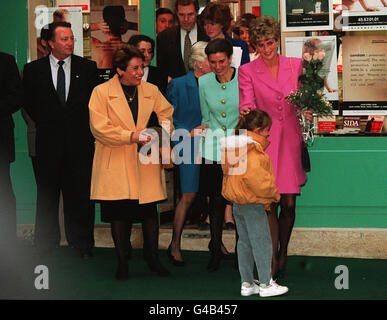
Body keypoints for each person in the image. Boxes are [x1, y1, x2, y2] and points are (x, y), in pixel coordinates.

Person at [88, 44, 174, 281]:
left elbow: (167, 114)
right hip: (114, 159)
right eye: (135, 68)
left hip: (145, 159)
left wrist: (161, 133)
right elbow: (99, 128)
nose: (140, 72)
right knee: (119, 214)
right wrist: (131, 136)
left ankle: (153, 259)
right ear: (119, 70)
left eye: (142, 67)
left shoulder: (151, 89)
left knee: (148, 213)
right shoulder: (101, 92)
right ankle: (122, 262)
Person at [238, 16, 312, 279]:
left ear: (277, 41)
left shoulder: (295, 65)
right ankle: (269, 259)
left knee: (289, 204)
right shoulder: (247, 71)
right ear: (255, 45)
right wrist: (246, 111)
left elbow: (305, 99)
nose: (267, 48)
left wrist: (310, 109)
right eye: (261, 44)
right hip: (266, 141)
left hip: (291, 139)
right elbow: (246, 102)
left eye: (270, 42)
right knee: (270, 203)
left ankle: (283, 252)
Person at [22, 21, 98, 259]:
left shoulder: (88, 68)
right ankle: (45, 243)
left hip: (80, 144)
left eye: (71, 38)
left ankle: (82, 243)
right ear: (51, 43)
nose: (70, 43)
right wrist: (50, 123)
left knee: (80, 197)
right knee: (47, 196)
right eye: (64, 39)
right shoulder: (33, 70)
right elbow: (29, 104)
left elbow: (94, 105)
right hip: (47, 144)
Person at [221, 109, 289, 297]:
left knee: (244, 243)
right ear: (258, 130)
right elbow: (258, 181)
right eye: (267, 130)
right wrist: (274, 194)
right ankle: (266, 284)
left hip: (237, 203)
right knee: (262, 242)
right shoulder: (254, 152)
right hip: (253, 202)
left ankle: (247, 283)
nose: (269, 134)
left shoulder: (232, 148)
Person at [164, 41, 211, 266]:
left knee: (216, 195)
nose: (216, 64)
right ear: (200, 63)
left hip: (212, 145)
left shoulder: (216, 83)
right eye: (211, 59)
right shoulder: (179, 84)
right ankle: (174, 244)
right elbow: (167, 118)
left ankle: (217, 242)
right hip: (188, 145)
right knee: (189, 195)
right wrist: (186, 134)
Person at [198, 38, 239, 272]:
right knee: (215, 202)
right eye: (212, 62)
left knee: (240, 202)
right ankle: (215, 248)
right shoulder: (203, 82)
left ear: (230, 58)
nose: (217, 66)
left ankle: (241, 251)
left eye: (221, 61)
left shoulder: (244, 77)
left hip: (239, 147)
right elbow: (206, 117)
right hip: (212, 148)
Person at [0, 52, 22, 246]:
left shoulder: (5, 60)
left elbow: (17, 97)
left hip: (0, 139)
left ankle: (7, 241)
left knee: (3, 190)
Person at [157, 0, 207, 79]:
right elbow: (160, 68)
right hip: (174, 88)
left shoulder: (207, 34)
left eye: (190, 14)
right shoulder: (164, 37)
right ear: (176, 13)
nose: (186, 19)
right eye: (181, 15)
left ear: (197, 12)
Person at [199, 2, 250, 66]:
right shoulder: (199, 47)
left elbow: (246, 71)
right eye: (205, 24)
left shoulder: (240, 45)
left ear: (222, 24)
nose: (208, 28)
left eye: (212, 24)